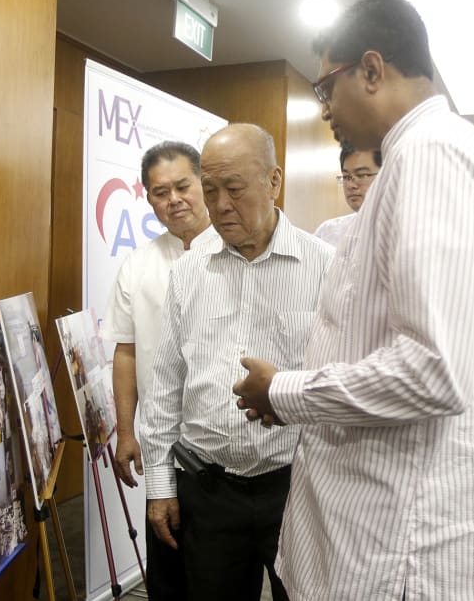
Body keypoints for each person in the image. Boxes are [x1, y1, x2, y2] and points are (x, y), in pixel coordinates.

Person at [233, 0, 474, 599]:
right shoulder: (417, 157)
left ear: (371, 69)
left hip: (404, 552)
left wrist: (284, 390)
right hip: (391, 535)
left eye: (325, 87)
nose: (323, 109)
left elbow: (431, 370)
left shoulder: (431, 155)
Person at [141, 123, 334, 601]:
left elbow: (339, 380)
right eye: (210, 190)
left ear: (274, 181)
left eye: (234, 188)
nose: (220, 205)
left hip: (297, 488)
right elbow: (165, 382)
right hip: (208, 492)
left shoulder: (327, 267)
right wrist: (159, 486)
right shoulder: (189, 272)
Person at [101, 140, 217, 600]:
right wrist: (126, 432)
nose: (174, 200)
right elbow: (126, 353)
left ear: (203, 184)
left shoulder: (234, 255)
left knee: (221, 577)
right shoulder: (138, 264)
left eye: (183, 186)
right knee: (168, 568)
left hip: (226, 451)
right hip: (166, 447)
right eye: (159, 192)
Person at [314, 144, 381, 245]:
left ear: (384, 175)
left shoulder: (404, 229)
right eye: (345, 177)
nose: (350, 185)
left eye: (361, 175)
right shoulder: (327, 232)